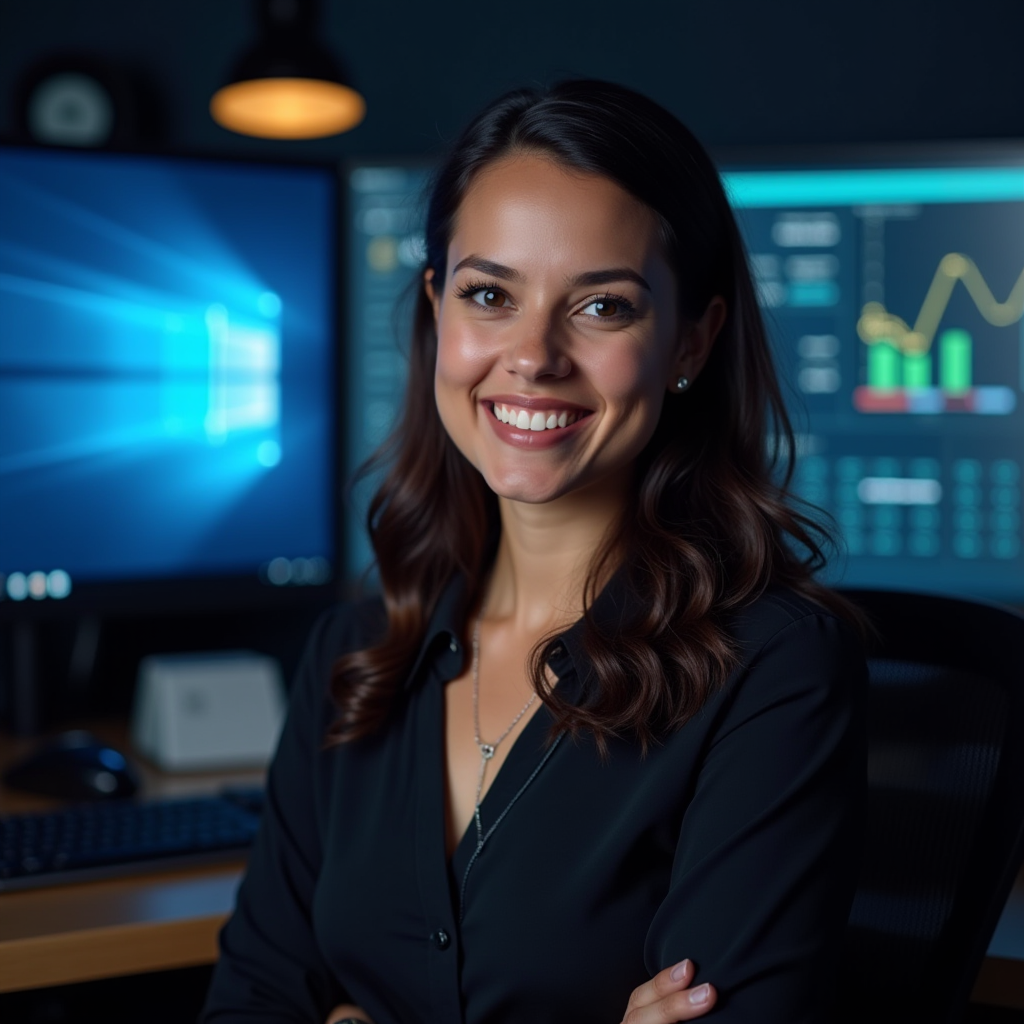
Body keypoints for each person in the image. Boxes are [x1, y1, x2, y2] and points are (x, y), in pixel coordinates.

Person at [200, 78, 869, 1024]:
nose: (534, 356)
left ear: (692, 341)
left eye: (602, 308)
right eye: (489, 295)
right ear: (436, 310)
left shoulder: (774, 669)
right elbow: (249, 1004)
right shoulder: (357, 657)